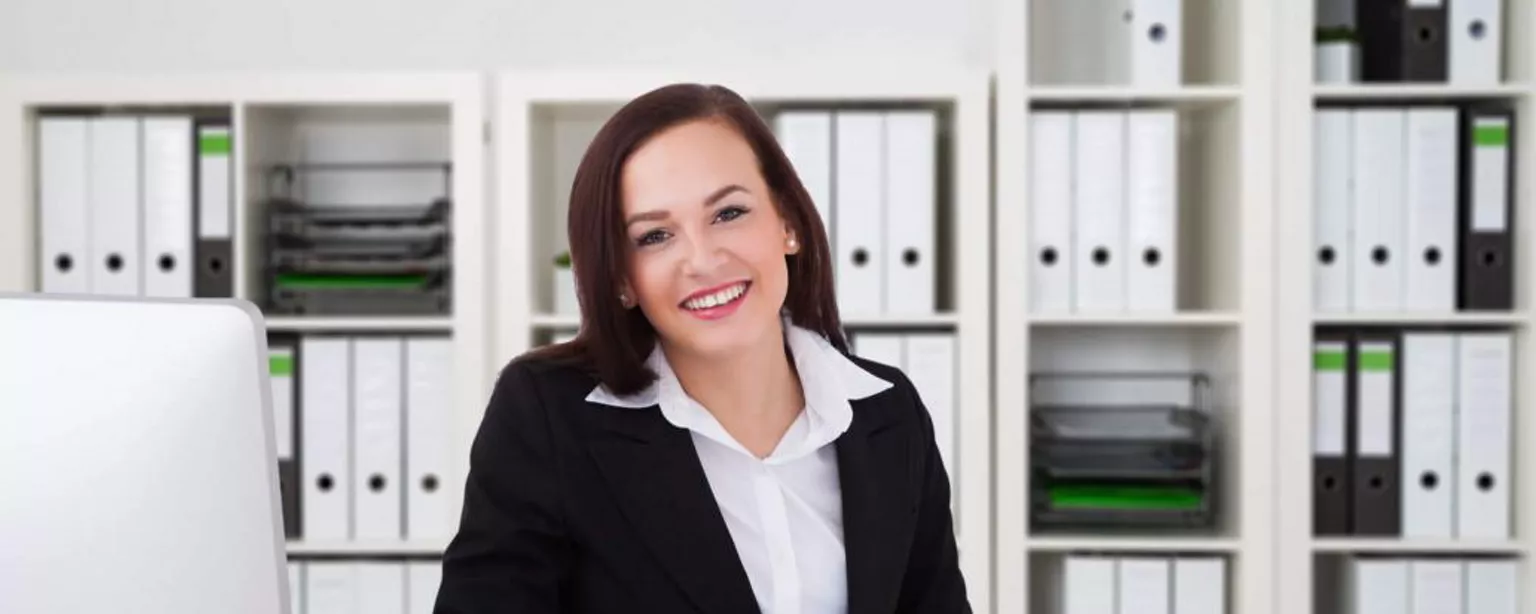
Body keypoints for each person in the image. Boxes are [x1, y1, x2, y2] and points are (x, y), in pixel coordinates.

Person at [433, 82, 970, 614]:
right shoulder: (547, 414)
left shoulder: (887, 411)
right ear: (621, 278)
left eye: (729, 213)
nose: (703, 259)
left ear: (786, 222)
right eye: (655, 236)